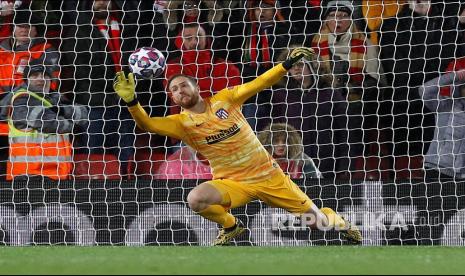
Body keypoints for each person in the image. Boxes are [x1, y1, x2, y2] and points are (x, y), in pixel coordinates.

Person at [114, 47, 362, 245]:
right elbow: (147, 124)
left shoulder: (226, 99)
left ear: (197, 87)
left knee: (318, 224)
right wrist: (132, 101)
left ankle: (339, 221)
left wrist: (285, 65)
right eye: (174, 90)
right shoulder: (180, 124)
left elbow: (260, 82)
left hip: (269, 177)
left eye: (183, 85)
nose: (179, 91)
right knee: (196, 199)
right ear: (173, 98)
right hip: (233, 182)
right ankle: (231, 226)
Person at [271, 46, 351, 179]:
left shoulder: (331, 95)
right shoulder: (281, 97)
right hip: (294, 166)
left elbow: (345, 133)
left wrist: (345, 166)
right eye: (292, 65)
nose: (296, 68)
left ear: (313, 66)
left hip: (328, 164)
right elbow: (276, 134)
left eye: (301, 64)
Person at [7, 60, 88, 181]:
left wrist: (57, 110)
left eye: (45, 75)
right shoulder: (22, 99)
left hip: (58, 174)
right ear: (26, 80)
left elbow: (84, 115)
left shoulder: (56, 98)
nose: (41, 79)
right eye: (35, 76)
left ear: (50, 80)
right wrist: (72, 124)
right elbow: (50, 124)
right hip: (27, 176)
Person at [418, 70, 465, 180]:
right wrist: (456, 76)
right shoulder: (445, 105)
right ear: (460, 88)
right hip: (435, 169)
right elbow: (424, 90)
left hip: (461, 176)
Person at [257, 123, 321, 179]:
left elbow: (317, 183)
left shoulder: (302, 160)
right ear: (268, 142)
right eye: (276, 141)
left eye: (285, 141)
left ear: (291, 142)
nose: (281, 144)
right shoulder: (260, 161)